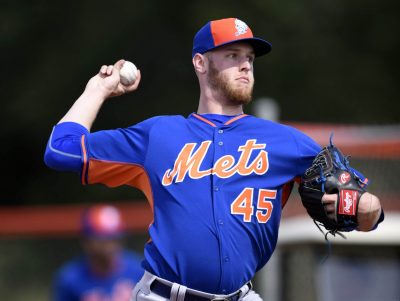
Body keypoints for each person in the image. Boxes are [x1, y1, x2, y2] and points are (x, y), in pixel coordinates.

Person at [45, 18, 383, 301]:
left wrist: (369, 210)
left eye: (249, 57)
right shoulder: (159, 136)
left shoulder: (286, 142)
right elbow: (62, 151)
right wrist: (97, 91)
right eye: (232, 54)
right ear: (200, 62)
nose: (245, 64)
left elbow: (357, 201)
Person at [52, 204, 144, 301]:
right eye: (103, 239)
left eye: (114, 238)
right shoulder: (70, 279)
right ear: (86, 241)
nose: (110, 246)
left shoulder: (140, 272)